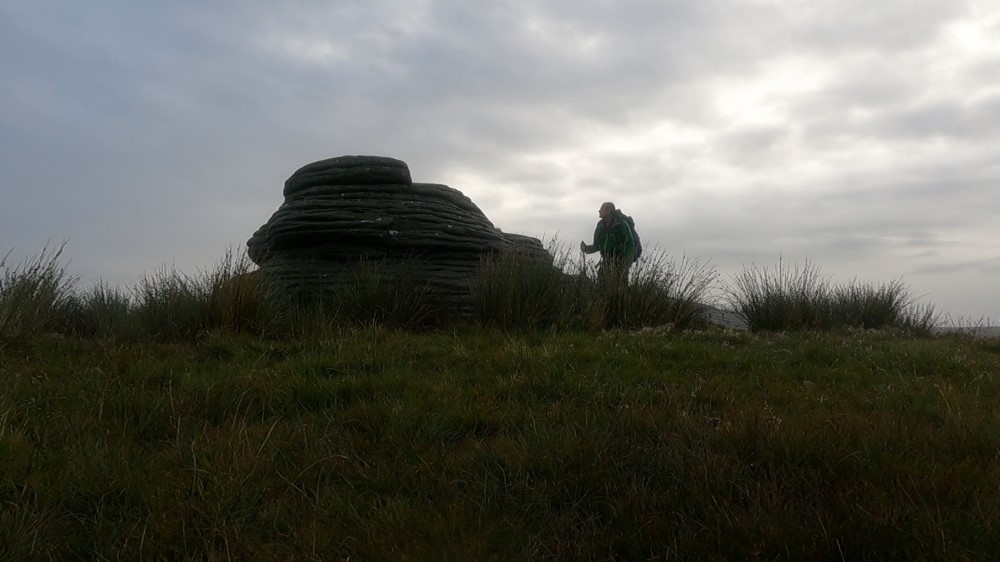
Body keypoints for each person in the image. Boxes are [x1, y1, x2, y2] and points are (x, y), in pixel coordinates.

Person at [580, 201, 636, 282]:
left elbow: (630, 244)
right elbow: (596, 246)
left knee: (619, 288)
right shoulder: (600, 226)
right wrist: (586, 249)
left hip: (620, 261)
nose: (599, 211)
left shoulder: (621, 224)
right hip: (606, 262)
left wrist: (626, 264)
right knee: (602, 285)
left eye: (602, 208)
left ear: (608, 210)